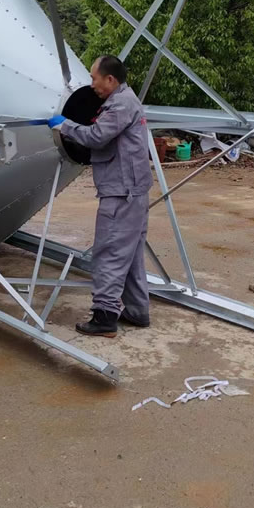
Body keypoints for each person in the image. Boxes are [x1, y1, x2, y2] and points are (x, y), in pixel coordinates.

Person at [48, 55, 154, 338]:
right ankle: (137, 310)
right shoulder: (125, 99)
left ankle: (105, 317)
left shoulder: (119, 104)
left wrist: (64, 126)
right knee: (129, 255)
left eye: (94, 78)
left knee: (108, 252)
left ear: (110, 79)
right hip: (134, 190)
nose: (91, 84)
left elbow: (96, 137)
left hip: (122, 192)